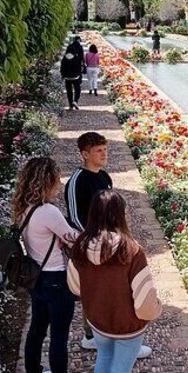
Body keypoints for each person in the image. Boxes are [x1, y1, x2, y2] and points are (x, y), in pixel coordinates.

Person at [67, 190, 163, 373]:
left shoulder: (80, 245)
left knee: (103, 359)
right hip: (127, 326)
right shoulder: (131, 251)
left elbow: (75, 287)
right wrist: (156, 310)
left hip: (97, 320)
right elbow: (144, 302)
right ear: (120, 215)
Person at [64, 132, 152, 360]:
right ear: (84, 154)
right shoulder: (77, 181)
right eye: (98, 151)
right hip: (90, 247)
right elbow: (74, 216)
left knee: (117, 290)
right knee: (91, 290)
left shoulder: (104, 177)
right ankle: (91, 336)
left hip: (111, 246)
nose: (104, 154)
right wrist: (92, 241)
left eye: (105, 149)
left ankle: (119, 335)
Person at [13, 157, 89, 373]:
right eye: (55, 179)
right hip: (56, 278)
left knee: (37, 328)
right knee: (59, 334)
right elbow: (74, 239)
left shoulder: (24, 208)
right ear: (47, 181)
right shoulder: (48, 211)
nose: (58, 184)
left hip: (36, 277)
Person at [61, 36, 85, 110]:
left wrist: (63, 75)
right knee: (77, 89)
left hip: (67, 77)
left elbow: (62, 68)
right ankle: (75, 101)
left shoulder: (64, 58)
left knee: (69, 91)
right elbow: (79, 67)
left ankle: (70, 105)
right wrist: (79, 74)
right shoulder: (76, 57)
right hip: (75, 76)